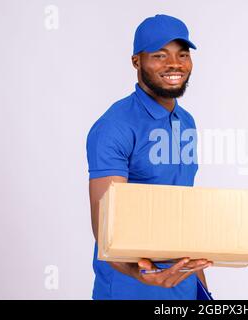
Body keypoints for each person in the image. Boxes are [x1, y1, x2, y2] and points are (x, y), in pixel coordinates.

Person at [86, 14, 212, 300]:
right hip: (128, 291)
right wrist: (140, 273)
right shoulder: (114, 126)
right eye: (159, 55)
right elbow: (105, 231)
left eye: (182, 54)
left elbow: (184, 210)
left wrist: (202, 289)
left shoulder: (186, 122)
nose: (174, 64)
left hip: (184, 290)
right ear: (136, 62)